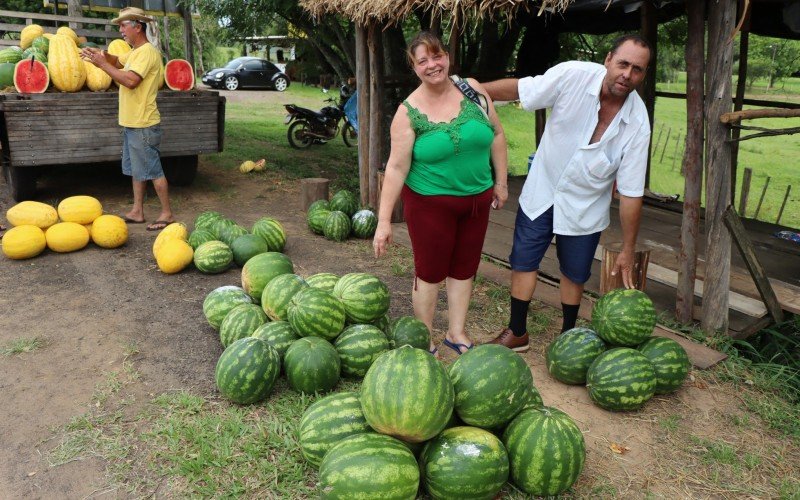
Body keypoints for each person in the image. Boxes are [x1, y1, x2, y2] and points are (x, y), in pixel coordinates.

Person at [482, 34, 652, 352]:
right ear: (608, 59)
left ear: (643, 75)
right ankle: (517, 331)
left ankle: (567, 338)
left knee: (574, 273)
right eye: (623, 64)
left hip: (586, 206)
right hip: (544, 188)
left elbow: (630, 193)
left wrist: (628, 249)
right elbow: (522, 89)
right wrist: (473, 89)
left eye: (637, 69)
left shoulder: (637, 124)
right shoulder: (573, 75)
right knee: (523, 260)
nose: (628, 74)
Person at [373, 31, 509, 356]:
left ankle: (457, 333)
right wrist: (383, 221)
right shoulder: (409, 112)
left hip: (477, 201)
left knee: (464, 268)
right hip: (430, 205)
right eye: (424, 61)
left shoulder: (473, 90)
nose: (433, 65)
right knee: (430, 272)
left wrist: (501, 182)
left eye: (438, 57)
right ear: (414, 66)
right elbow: (395, 169)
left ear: (447, 56)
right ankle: (426, 340)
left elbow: (497, 135)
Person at [81, 7, 173, 231]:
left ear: (137, 27)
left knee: (153, 169)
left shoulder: (147, 53)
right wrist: (100, 55)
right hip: (132, 122)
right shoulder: (134, 52)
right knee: (136, 170)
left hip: (144, 123)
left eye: (123, 25)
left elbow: (131, 80)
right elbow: (118, 61)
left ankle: (167, 213)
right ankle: (137, 211)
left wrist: (102, 65)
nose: (120, 29)